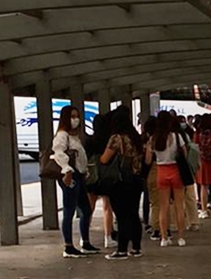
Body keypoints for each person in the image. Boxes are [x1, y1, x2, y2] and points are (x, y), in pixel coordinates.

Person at [52, 105, 98, 258]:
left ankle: (85, 242)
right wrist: (67, 170)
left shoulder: (74, 136)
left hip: (79, 175)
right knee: (69, 210)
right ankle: (68, 246)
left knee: (85, 209)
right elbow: (58, 153)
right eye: (72, 116)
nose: (75, 119)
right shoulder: (62, 135)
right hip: (69, 176)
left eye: (77, 116)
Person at [99, 110, 146, 259]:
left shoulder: (116, 138)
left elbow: (105, 159)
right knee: (133, 213)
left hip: (120, 181)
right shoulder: (136, 138)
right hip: (136, 180)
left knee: (121, 215)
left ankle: (121, 249)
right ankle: (136, 248)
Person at [148, 111, 189, 247]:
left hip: (161, 171)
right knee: (179, 205)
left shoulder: (153, 139)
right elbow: (185, 153)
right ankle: (181, 237)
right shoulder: (176, 137)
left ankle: (164, 238)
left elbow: (148, 160)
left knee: (163, 206)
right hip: (176, 170)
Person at [86, 111, 116, 249]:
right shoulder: (109, 141)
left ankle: (84, 237)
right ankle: (108, 237)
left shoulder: (90, 141)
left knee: (89, 208)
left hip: (92, 177)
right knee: (106, 207)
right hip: (106, 176)